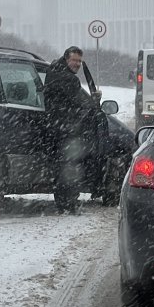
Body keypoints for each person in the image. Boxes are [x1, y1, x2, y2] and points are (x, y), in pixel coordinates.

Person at [44, 46, 101, 215]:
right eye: (74, 60)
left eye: (79, 61)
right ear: (66, 58)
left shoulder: (53, 70)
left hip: (54, 127)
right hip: (66, 130)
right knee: (70, 167)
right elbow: (81, 103)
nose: (77, 64)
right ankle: (68, 204)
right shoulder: (68, 79)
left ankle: (64, 202)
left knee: (62, 167)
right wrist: (94, 100)